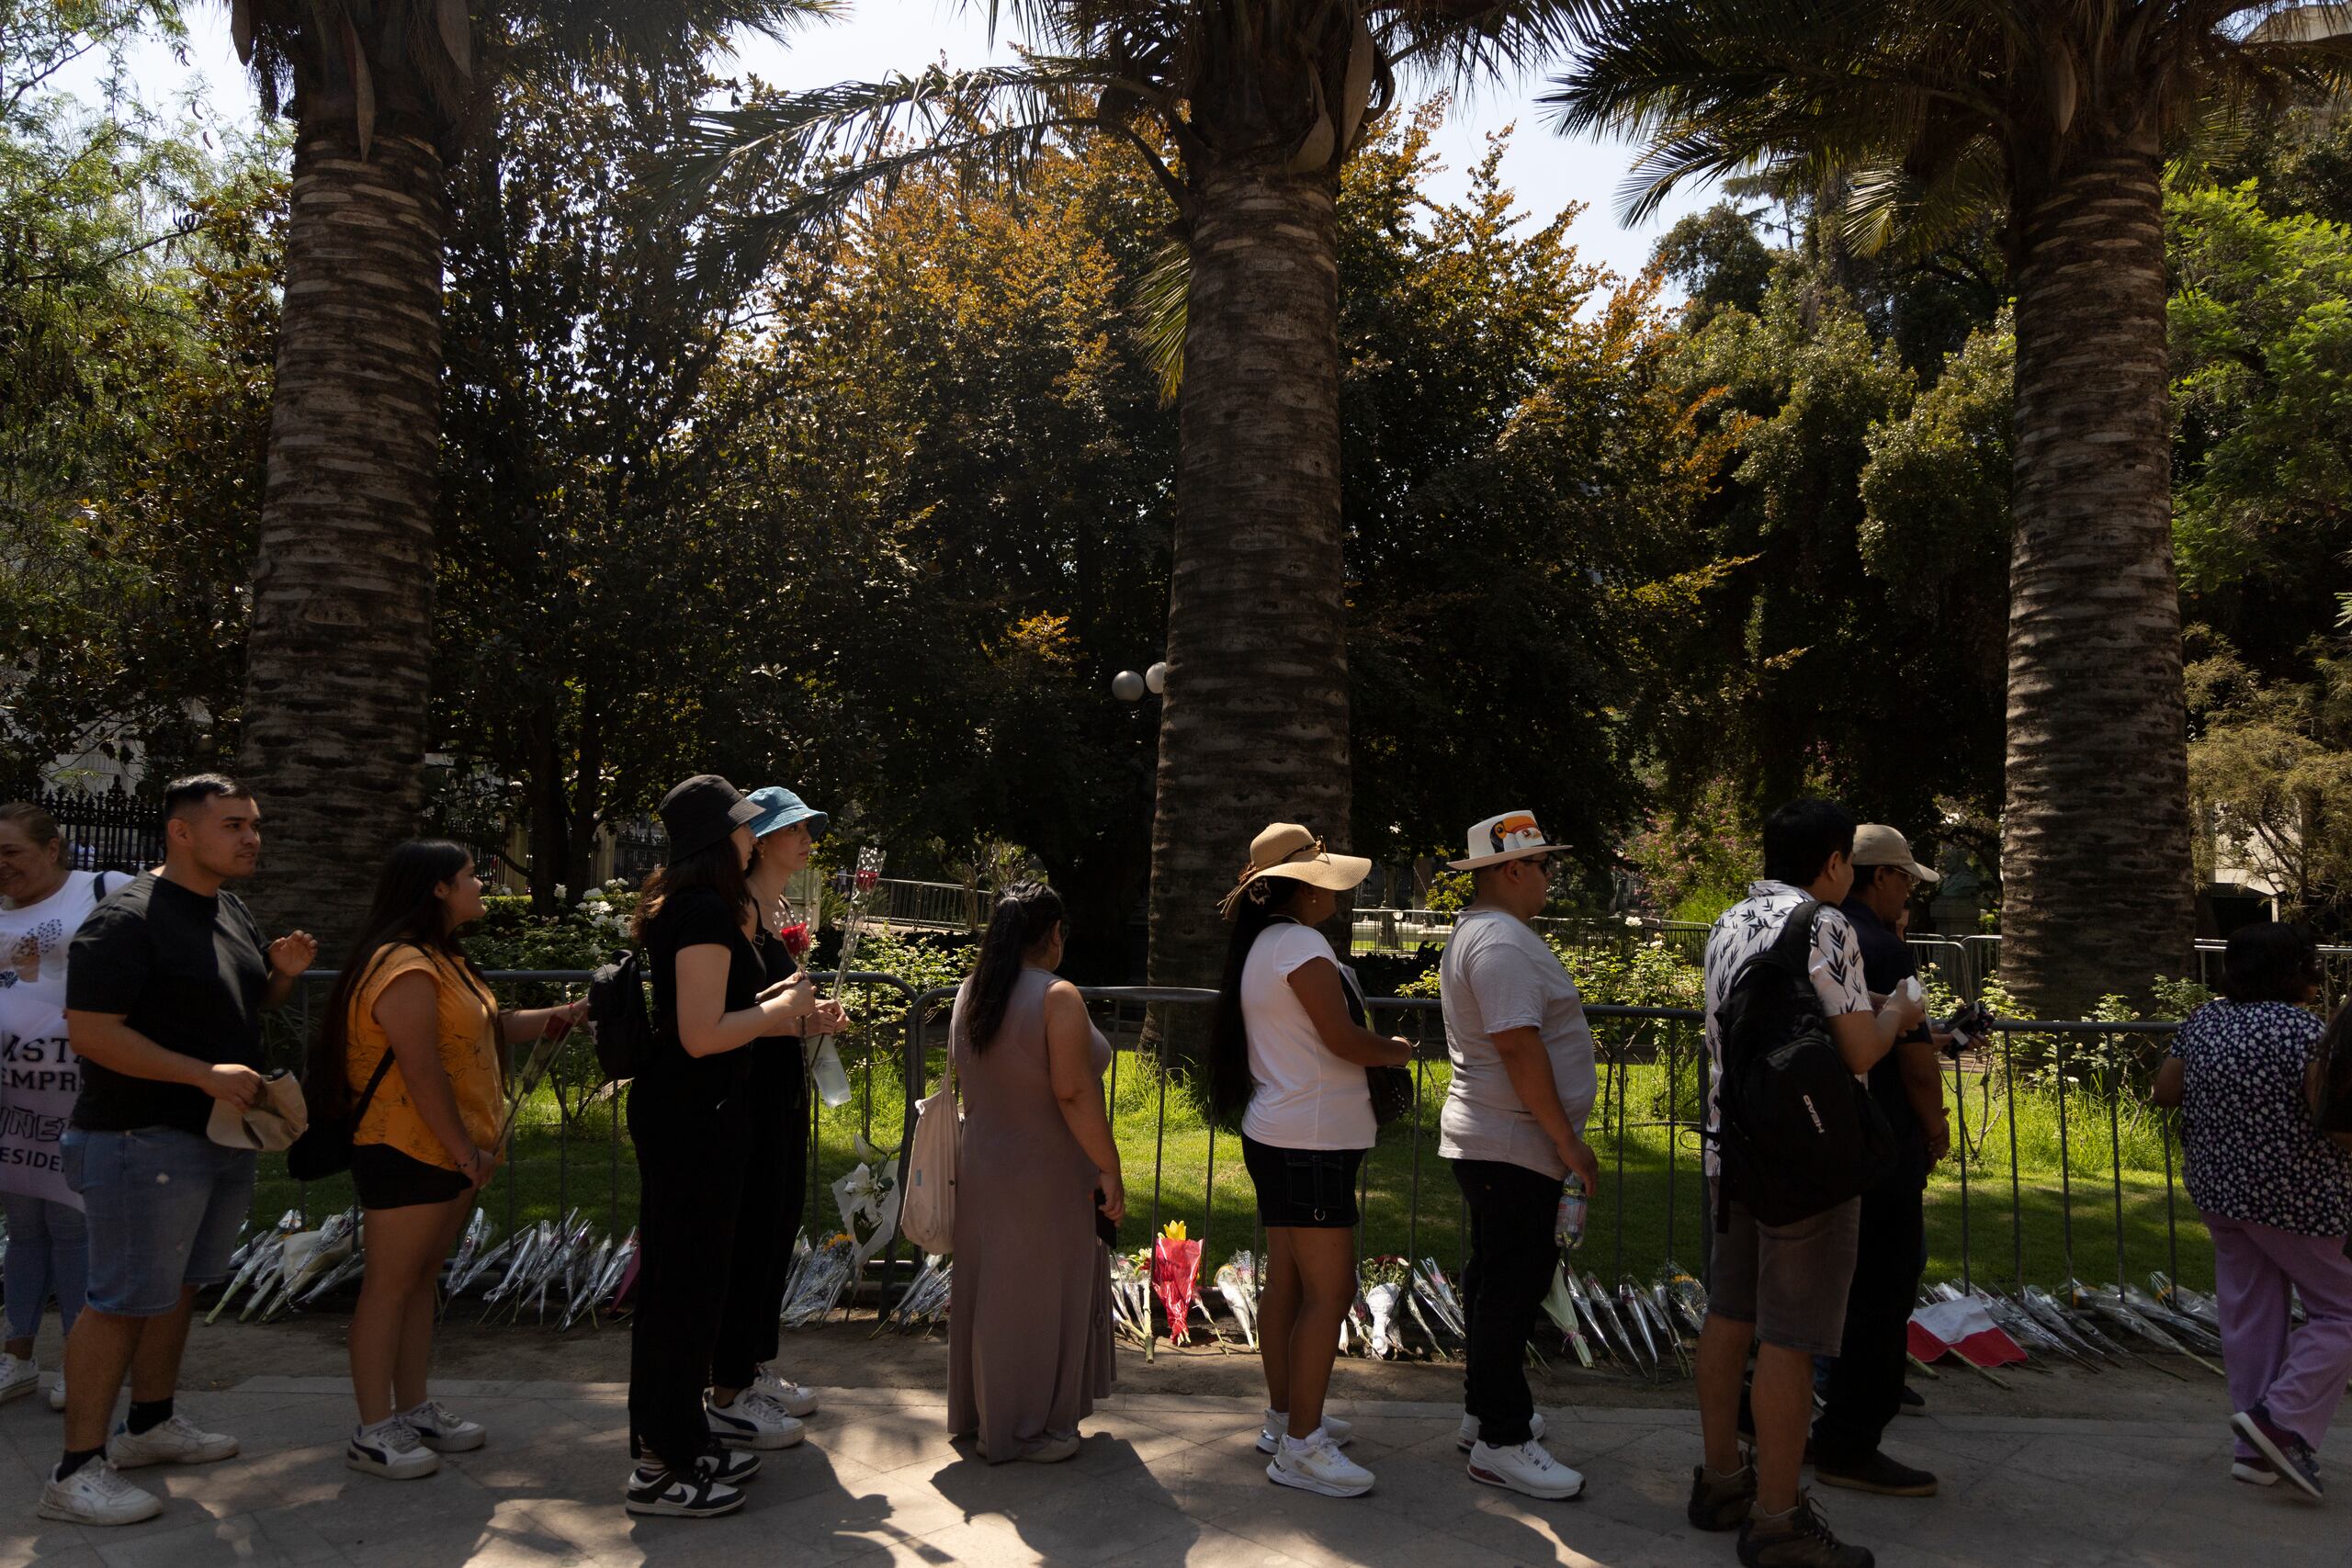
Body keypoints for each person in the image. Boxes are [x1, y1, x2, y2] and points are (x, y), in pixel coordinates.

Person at [42, 775, 318, 1528]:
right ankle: (74, 1471)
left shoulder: (225, 905)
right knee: (120, 1300)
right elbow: (93, 1032)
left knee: (180, 1286)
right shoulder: (125, 919)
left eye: (255, 824)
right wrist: (202, 1075)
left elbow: (232, 1000)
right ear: (180, 832)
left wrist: (281, 978)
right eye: (234, 825)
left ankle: (150, 1425)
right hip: (140, 1137)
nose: (252, 837)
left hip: (216, 1134)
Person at [1689, 798, 1922, 1568]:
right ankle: (1780, 1519)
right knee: (1790, 1337)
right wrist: (1897, 1012)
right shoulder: (1826, 923)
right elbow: (1857, 1051)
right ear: (1832, 864)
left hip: (1735, 1149)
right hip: (1807, 1163)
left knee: (1729, 1316)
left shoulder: (1728, 922)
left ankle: (1722, 1477)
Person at [312, 841, 587, 1480]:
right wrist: (466, 1151)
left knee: (418, 1281)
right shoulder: (404, 965)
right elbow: (420, 1065)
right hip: (407, 1146)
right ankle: (374, 1428)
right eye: (470, 876)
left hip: (450, 1149)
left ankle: (411, 1409)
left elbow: (483, 1029)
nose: (480, 884)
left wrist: (561, 1016)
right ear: (438, 888)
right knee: (389, 1285)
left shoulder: (441, 959)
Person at [625, 774, 814, 1519]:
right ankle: (660, 1462)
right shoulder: (702, 912)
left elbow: (717, 1015)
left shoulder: (702, 907)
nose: (752, 836)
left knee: (694, 1291)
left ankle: (681, 1438)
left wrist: (777, 1004)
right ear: (717, 837)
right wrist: (778, 1012)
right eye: (742, 826)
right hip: (692, 1121)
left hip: (702, 1118)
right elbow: (701, 1034)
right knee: (679, 1297)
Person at [1207, 823, 1411, 1499]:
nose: (1333, 891)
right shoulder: (1299, 944)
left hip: (1283, 1133)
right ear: (1297, 887)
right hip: (1311, 1143)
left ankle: (1286, 1418)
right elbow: (1342, 1038)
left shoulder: (1265, 945)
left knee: (1289, 1284)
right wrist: (1400, 1049)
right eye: (1320, 877)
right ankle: (1301, 1445)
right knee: (1332, 1291)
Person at [2154, 920, 2352, 1500]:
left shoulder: (2204, 1021)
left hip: (2220, 1192)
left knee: (2250, 1318)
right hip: (2295, 1198)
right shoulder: (2303, 1031)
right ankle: (2280, 1420)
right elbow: (2332, 1118)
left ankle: (2255, 1454)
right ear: (2295, 971)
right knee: (2343, 1312)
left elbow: (2165, 1091)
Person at [1435, 810, 1597, 1501]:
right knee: (1512, 1286)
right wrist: (1566, 1140)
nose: (1550, 877)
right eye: (1545, 864)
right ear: (1512, 869)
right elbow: (1518, 1045)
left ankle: (1485, 1411)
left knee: (1495, 1278)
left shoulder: (1494, 935)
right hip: (1512, 1142)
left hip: (1503, 1140)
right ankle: (1502, 1439)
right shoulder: (1499, 941)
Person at [945, 882, 1121, 1462]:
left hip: (984, 1161)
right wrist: (1108, 1164)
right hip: (1044, 1168)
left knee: (993, 1287)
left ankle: (989, 1413)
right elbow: (1072, 1092)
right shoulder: (1057, 997)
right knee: (1043, 1292)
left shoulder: (972, 991)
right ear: (1052, 934)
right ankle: (1032, 1426)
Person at [1810, 826, 1946, 1498]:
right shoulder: (1887, 949)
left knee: (1819, 1289)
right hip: (1881, 1144)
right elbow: (1916, 1064)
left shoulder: (1810, 935)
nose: (1909, 894)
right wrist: (1937, 1124)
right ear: (1880, 877)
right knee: (1880, 1295)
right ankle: (1851, 1440)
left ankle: (1797, 1418)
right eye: (1907, 880)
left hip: (1812, 1140)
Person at [711, 787, 845, 1427]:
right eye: (792, 826)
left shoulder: (779, 909)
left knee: (775, 1224)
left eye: (807, 825)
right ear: (757, 839)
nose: (806, 837)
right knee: (750, 1229)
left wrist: (812, 1019)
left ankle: (752, 1363)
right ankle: (729, 1387)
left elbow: (774, 1011)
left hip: (781, 1086)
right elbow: (725, 1018)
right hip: (747, 1092)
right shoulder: (736, 911)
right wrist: (790, 1019)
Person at [0, 804, 120, 1413]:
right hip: (12, 1098)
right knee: (23, 1229)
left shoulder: (103, 890)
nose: (2, 866)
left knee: (73, 1228)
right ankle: (16, 1355)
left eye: (11, 851)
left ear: (53, 848)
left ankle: (83, 1361)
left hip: (79, 1091)